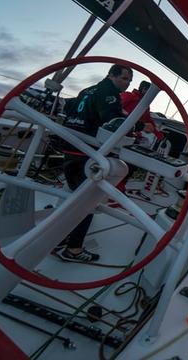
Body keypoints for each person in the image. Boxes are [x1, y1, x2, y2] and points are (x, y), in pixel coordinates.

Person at [58, 64, 133, 262]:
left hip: (70, 147)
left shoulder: (87, 90)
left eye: (129, 81)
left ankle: (58, 236)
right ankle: (73, 249)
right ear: (111, 75)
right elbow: (112, 121)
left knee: (73, 197)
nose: (127, 84)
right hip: (86, 152)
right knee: (87, 202)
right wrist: (139, 127)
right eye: (124, 79)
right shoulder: (109, 92)